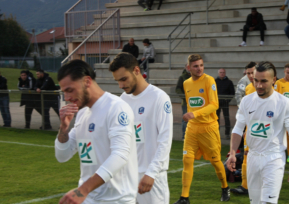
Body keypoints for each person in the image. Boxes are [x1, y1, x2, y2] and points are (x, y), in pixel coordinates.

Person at [55, 60, 138, 203]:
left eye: (70, 90)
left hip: (116, 199)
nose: (67, 98)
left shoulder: (116, 108)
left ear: (87, 81)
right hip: (89, 198)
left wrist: (83, 189)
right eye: (64, 92)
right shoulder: (82, 113)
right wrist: (63, 128)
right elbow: (62, 156)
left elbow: (120, 155)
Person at [227, 61, 289, 204]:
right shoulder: (246, 101)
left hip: (274, 158)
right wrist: (232, 152)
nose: (259, 85)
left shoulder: (284, 103)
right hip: (252, 157)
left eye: (264, 81)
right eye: (256, 80)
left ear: (274, 80)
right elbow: (238, 128)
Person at [109, 53, 173, 204]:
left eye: (124, 79)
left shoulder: (159, 97)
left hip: (152, 177)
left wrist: (151, 173)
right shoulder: (122, 99)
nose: (121, 85)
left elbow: (165, 140)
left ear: (136, 71)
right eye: (117, 81)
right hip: (127, 178)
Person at [173, 54, 230, 204]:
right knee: (187, 159)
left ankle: (225, 187)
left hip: (208, 128)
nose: (199, 68)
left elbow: (214, 104)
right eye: (195, 66)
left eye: (201, 65)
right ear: (188, 68)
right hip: (192, 128)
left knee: (215, 161)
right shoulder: (186, 83)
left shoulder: (209, 80)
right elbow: (192, 103)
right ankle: (184, 197)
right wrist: (192, 115)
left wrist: (195, 114)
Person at [230, 63, 256, 196]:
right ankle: (245, 186)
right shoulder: (247, 87)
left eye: (253, 73)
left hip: (265, 133)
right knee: (246, 156)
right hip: (250, 129)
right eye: (248, 73)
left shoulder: (270, 89)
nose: (250, 76)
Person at [215, 68, 235, 140]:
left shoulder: (229, 82)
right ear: (218, 73)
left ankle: (227, 134)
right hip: (216, 103)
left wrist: (227, 100)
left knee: (227, 118)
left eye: (223, 72)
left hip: (225, 103)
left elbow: (232, 93)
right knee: (216, 119)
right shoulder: (214, 81)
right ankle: (216, 133)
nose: (222, 73)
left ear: (225, 73)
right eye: (221, 72)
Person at [176, 64, 192, 140]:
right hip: (186, 103)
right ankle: (184, 136)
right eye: (187, 67)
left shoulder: (197, 77)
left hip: (196, 103)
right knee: (185, 119)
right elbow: (178, 89)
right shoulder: (182, 77)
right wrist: (184, 97)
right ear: (186, 68)